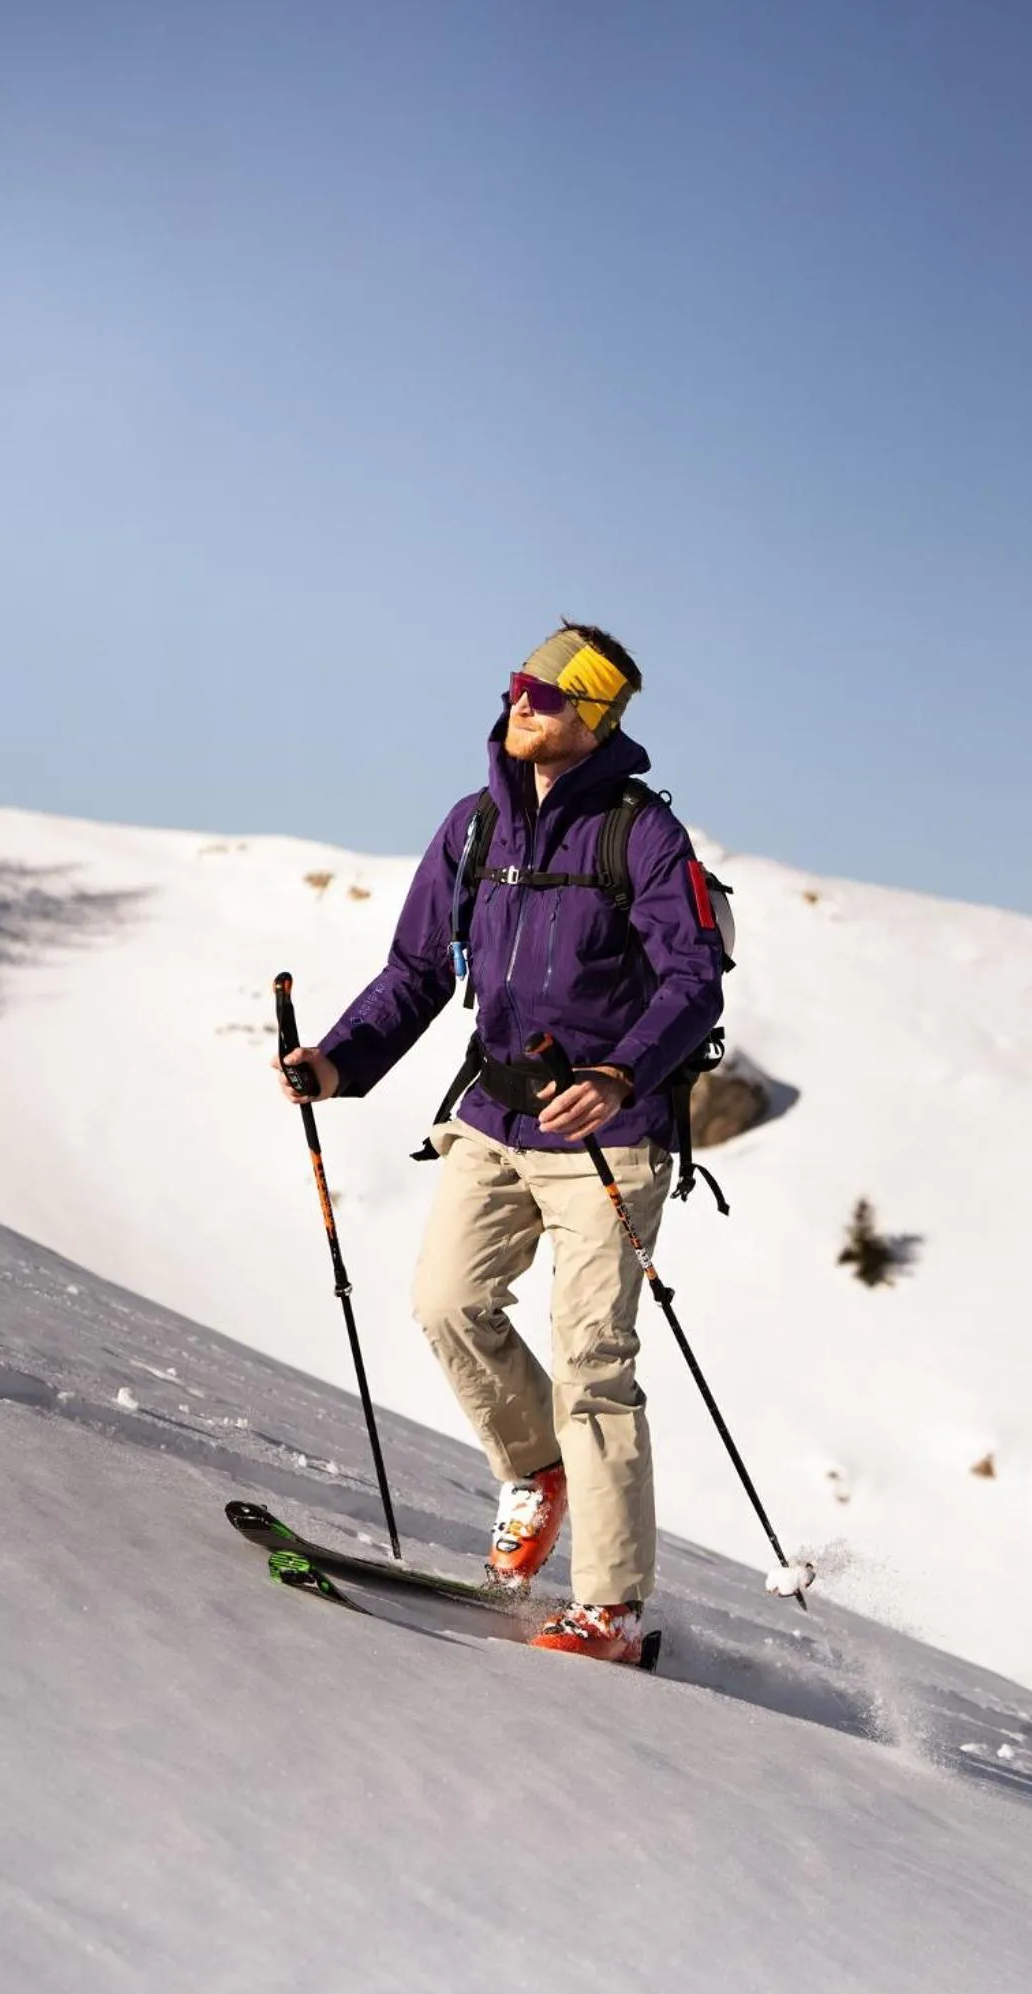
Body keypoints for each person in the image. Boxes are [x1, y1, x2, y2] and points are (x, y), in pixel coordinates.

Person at [274, 622, 724, 1662]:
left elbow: (693, 981)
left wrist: (619, 1074)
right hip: (493, 1115)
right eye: (520, 681)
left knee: (593, 1363)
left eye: (548, 692)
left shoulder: (643, 836)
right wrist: (338, 1061)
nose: (522, 700)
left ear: (593, 717)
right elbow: (417, 970)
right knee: (447, 1302)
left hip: (608, 1133)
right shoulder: (475, 826)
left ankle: (609, 1609)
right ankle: (536, 1468)